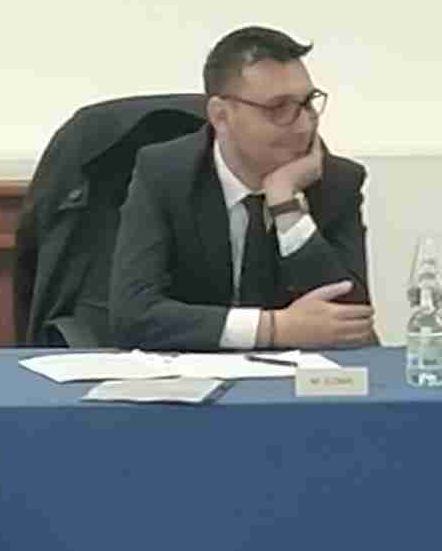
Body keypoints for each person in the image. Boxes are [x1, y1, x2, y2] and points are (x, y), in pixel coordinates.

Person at [110, 26, 375, 351]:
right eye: (279, 108)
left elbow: (351, 325)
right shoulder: (165, 174)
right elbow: (133, 316)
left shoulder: (336, 181)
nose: (305, 124)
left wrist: (285, 204)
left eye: (307, 103)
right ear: (221, 116)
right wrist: (273, 328)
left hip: (296, 378)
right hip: (192, 373)